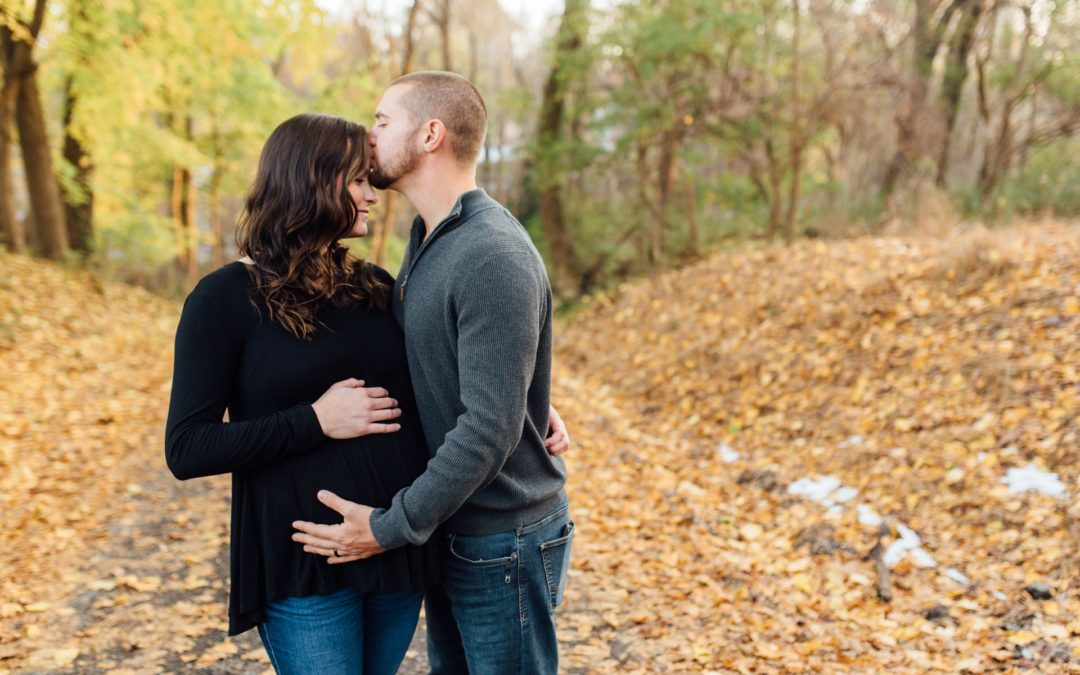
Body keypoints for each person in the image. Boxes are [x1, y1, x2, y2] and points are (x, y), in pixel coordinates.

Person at [292, 72, 573, 674]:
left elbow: (488, 431)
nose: (371, 137)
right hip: (456, 526)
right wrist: (527, 398)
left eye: (383, 121)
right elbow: (462, 365)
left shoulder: (491, 252)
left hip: (503, 539)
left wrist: (390, 527)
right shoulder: (431, 237)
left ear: (430, 134)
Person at [164, 113, 440, 675]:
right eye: (358, 180)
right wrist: (315, 420)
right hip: (305, 562)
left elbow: (436, 383)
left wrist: (528, 408)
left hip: (390, 549)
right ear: (311, 180)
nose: (372, 195)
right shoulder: (222, 300)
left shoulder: (376, 287)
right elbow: (187, 449)